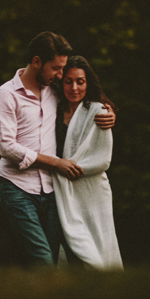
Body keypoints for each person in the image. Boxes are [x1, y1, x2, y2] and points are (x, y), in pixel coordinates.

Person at [0, 32, 115, 267]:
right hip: (17, 188)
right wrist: (56, 162)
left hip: (51, 190)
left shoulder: (52, 91)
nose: (61, 75)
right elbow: (6, 147)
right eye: (56, 68)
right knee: (44, 260)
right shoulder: (5, 95)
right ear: (37, 62)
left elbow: (83, 96)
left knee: (53, 261)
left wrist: (108, 112)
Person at [52, 55, 123, 270]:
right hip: (59, 190)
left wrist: (68, 168)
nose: (74, 87)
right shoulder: (52, 112)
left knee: (100, 248)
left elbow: (102, 158)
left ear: (87, 83)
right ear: (61, 82)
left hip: (92, 192)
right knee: (71, 250)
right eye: (68, 81)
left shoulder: (98, 112)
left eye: (80, 81)